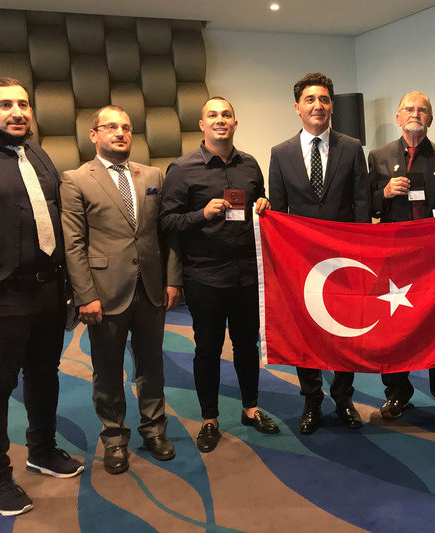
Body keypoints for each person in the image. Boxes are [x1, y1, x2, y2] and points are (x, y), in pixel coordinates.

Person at [0, 77, 83, 516]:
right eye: (5, 105)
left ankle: (41, 449)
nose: (18, 112)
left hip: (47, 289)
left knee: (44, 373)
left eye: (23, 104)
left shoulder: (37, 154)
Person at [60, 105, 181, 475]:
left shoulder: (152, 174)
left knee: (152, 365)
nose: (120, 133)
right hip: (104, 292)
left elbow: (166, 234)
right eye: (110, 127)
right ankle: (114, 437)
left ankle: (154, 428)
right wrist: (85, 295)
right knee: (107, 369)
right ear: (93, 135)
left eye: (126, 127)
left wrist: (173, 279)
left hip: (151, 289)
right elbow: (73, 244)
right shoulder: (76, 179)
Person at [160, 97, 280, 454]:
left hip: (246, 275)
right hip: (205, 276)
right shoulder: (182, 169)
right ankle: (209, 419)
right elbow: (167, 222)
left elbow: (259, 205)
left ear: (235, 123)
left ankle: (251, 409)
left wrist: (265, 205)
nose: (220, 120)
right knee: (208, 349)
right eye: (212, 115)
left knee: (248, 346)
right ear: (202, 125)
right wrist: (202, 214)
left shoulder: (250, 165)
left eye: (226, 115)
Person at [269, 72, 369, 434]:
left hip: (345, 261)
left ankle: (343, 398)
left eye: (324, 99)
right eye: (310, 100)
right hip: (301, 263)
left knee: (344, 331)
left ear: (332, 107)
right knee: (306, 332)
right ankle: (311, 399)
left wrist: (362, 258)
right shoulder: (280, 154)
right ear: (297, 107)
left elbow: (361, 205)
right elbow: (279, 214)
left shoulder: (352, 147)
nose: (318, 106)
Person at [369, 91, 435, 423]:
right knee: (395, 328)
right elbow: (365, 204)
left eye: (422, 110)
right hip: (394, 257)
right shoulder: (378, 157)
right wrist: (382, 193)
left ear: (430, 118)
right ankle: (397, 394)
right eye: (408, 109)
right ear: (398, 118)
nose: (415, 114)